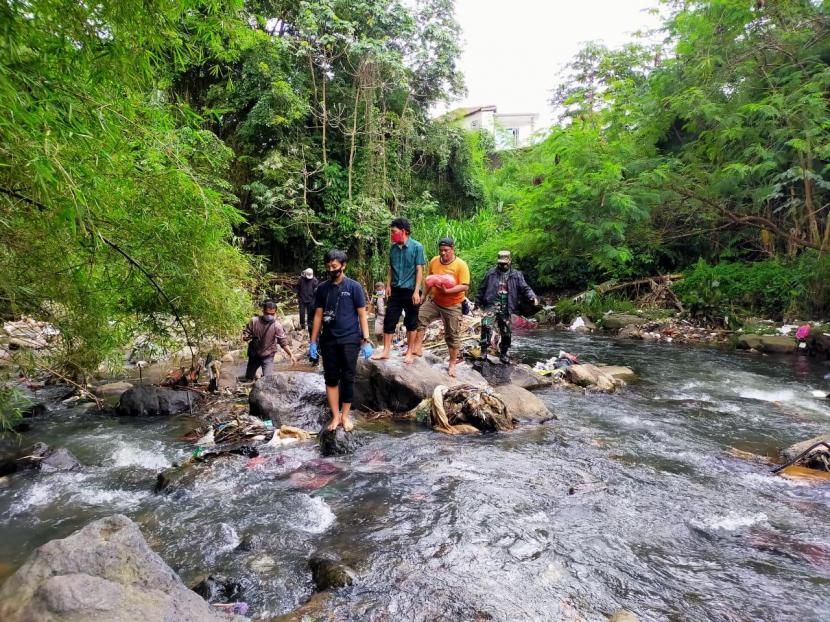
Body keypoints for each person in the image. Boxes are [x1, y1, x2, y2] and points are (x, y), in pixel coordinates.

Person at [309, 250, 373, 432]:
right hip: (328, 340)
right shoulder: (321, 288)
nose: (331, 270)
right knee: (331, 379)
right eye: (328, 266)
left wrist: (366, 339)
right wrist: (313, 341)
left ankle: (345, 416)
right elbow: (318, 315)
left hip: (350, 339)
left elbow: (362, 314)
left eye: (334, 267)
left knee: (348, 377)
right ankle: (335, 416)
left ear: (343, 266)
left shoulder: (354, 287)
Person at [411, 237, 470, 377]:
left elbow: (465, 286)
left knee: (452, 335)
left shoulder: (460, 265)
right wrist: (424, 296)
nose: (443, 253)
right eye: (441, 250)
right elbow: (429, 281)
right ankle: (417, 348)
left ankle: (452, 364)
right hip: (435, 300)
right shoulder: (434, 261)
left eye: (446, 250)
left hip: (453, 304)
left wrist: (448, 291)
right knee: (420, 317)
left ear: (452, 249)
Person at [371, 217, 426, 363]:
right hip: (395, 290)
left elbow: (419, 270)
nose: (392, 235)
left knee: (411, 321)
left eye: (394, 232)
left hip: (411, 291)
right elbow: (391, 269)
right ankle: (386, 351)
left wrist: (416, 291)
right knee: (389, 319)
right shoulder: (393, 249)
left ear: (403, 231)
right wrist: (388, 285)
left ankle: (409, 352)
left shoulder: (417, 247)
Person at [475, 250, 539, 364]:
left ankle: (504, 354)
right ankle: (483, 352)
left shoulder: (516, 275)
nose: (502, 265)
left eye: (505, 263)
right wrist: (477, 302)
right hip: (491, 304)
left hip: (507, 306)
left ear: (510, 261)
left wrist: (532, 297)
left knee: (506, 331)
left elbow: (525, 288)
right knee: (486, 326)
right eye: (500, 263)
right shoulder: (491, 273)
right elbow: (482, 288)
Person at [243, 300, 296, 380]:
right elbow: (246, 333)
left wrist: (291, 355)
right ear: (263, 311)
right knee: (248, 378)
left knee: (268, 380)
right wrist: (246, 337)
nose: (269, 316)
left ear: (275, 313)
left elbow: (283, 342)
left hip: (268, 355)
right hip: (254, 354)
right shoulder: (254, 321)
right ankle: (256, 377)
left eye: (272, 314)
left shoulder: (277, 326)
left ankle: (260, 377)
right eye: (267, 313)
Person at [296, 268, 318, 333]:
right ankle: (302, 327)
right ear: (305, 274)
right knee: (302, 314)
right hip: (302, 299)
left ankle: (309, 328)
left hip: (311, 300)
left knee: (310, 314)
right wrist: (297, 297)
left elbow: (316, 290)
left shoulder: (314, 280)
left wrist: (315, 300)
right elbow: (297, 288)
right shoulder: (300, 279)